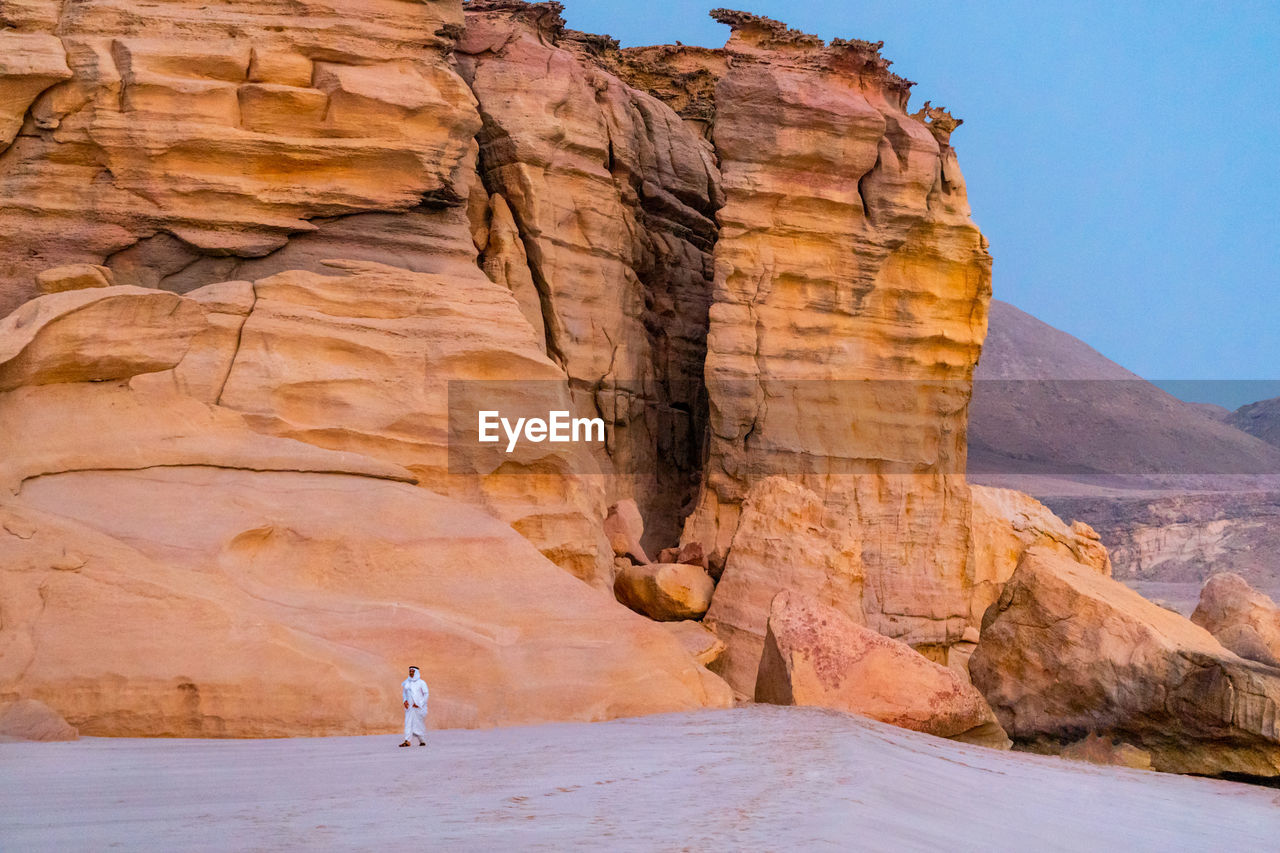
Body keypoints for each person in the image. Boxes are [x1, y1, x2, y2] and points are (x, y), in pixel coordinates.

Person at [400, 666, 429, 748]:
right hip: (409, 707)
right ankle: (407, 741)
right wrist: (404, 701)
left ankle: (422, 740)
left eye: (413, 671)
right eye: (410, 671)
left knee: (418, 724)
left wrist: (420, 703)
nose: (411, 672)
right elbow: (404, 693)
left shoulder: (421, 683)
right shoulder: (407, 682)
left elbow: (426, 694)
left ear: (416, 672)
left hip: (418, 707)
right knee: (408, 723)